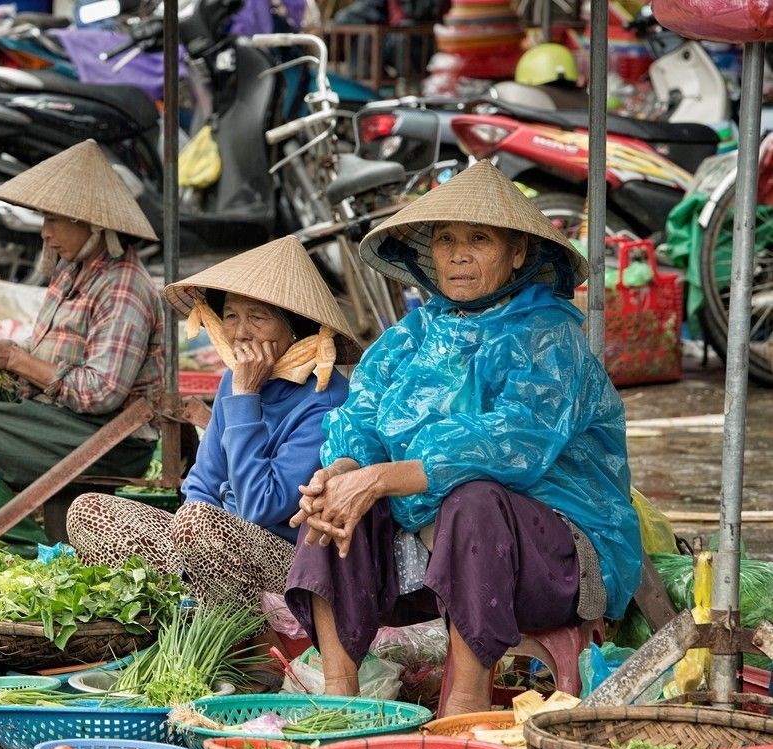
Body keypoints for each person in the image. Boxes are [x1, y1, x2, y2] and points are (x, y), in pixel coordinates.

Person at [284, 161, 643, 715]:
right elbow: (359, 421)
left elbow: (509, 446)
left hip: (559, 558)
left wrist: (379, 478)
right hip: (435, 556)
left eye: (479, 239)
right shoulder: (411, 337)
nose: (458, 254)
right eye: (446, 240)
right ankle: (339, 700)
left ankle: (464, 706)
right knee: (334, 502)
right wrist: (341, 471)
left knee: (472, 499)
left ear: (518, 252)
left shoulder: (550, 339)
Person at [66, 236, 354, 614]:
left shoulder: (325, 399)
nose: (240, 333)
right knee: (88, 511)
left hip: (289, 564)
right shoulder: (232, 382)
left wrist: (246, 397)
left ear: (295, 329)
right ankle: (189, 604)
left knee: (199, 525)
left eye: (258, 316)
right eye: (231, 315)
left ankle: (207, 615)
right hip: (208, 546)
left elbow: (260, 508)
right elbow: (202, 483)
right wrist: (191, 557)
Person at [0, 139, 163, 521]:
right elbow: (48, 348)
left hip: (103, 434)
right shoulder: (72, 269)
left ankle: (12, 536)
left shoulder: (123, 287)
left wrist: (17, 359)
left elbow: (100, 394)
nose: (45, 233)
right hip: (50, 412)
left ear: (88, 222)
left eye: (53, 220)